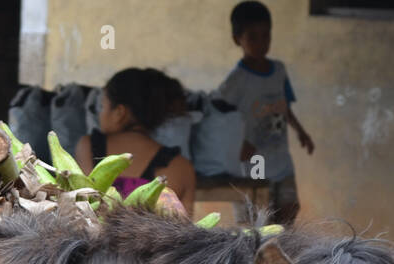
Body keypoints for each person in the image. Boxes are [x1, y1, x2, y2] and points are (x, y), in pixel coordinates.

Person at [215, 1, 314, 225]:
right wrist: (236, 145)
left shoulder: (278, 71)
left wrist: (301, 132)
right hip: (252, 163)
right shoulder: (236, 81)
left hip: (279, 156)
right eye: (253, 37)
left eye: (266, 36)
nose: (261, 43)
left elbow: (284, 105)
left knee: (289, 209)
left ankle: (278, 253)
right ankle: (254, 257)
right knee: (256, 219)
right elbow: (219, 117)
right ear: (237, 39)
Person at [74, 68, 195, 211]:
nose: (99, 114)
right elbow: (184, 228)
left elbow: (81, 207)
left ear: (119, 112)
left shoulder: (87, 147)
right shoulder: (181, 167)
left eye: (102, 106)